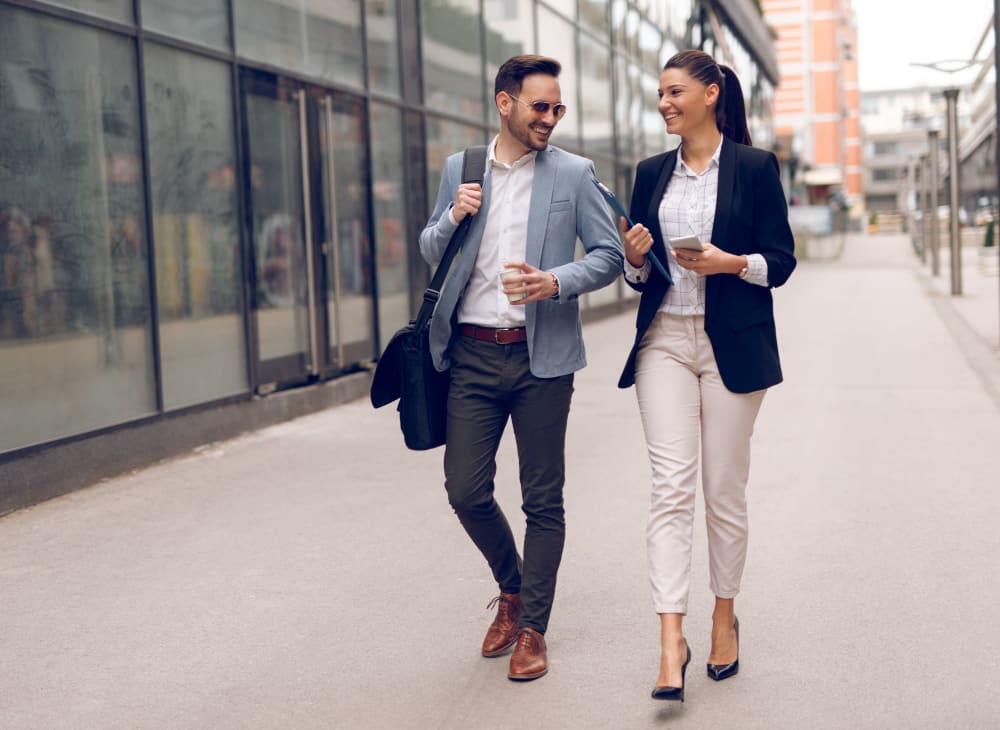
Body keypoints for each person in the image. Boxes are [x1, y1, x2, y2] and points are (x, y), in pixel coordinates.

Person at [419, 54, 623, 681]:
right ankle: (511, 587)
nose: (551, 118)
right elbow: (431, 250)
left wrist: (554, 281)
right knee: (465, 490)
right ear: (505, 103)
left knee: (543, 499)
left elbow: (610, 254)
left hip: (542, 360)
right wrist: (453, 216)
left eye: (558, 108)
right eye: (541, 106)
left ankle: (532, 626)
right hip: (473, 356)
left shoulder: (573, 173)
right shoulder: (462, 169)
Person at [616, 50, 796, 702]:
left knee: (722, 488)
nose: (664, 103)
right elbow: (638, 277)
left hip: (732, 347)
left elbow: (781, 262)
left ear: (711, 93)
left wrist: (730, 263)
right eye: (659, 93)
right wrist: (635, 260)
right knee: (670, 487)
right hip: (663, 338)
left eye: (674, 91)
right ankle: (670, 641)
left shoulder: (754, 167)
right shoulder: (649, 173)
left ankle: (724, 616)